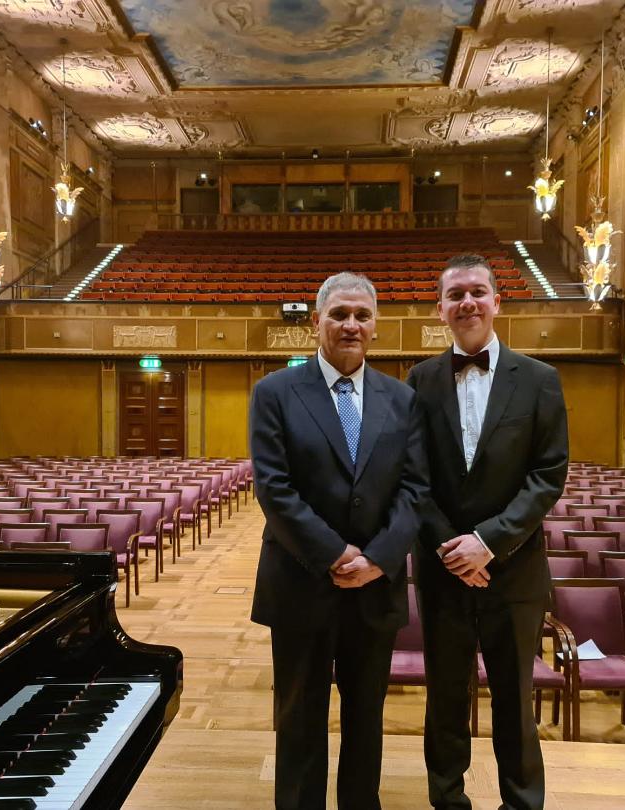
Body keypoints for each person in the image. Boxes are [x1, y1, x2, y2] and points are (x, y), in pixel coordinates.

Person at [250, 272, 428, 810]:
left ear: (376, 325)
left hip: (375, 588)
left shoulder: (403, 399)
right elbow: (273, 488)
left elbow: (415, 489)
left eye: (362, 315)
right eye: (339, 314)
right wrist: (334, 554)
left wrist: (376, 558)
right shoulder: (275, 392)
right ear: (316, 321)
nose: (351, 325)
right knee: (299, 718)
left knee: (366, 720)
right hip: (302, 582)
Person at [406, 254, 569, 810]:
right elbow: (414, 478)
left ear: (498, 301)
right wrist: (455, 549)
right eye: (455, 295)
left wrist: (489, 543)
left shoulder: (541, 379)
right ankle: (447, 799)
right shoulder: (420, 380)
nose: (467, 303)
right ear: (441, 309)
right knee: (446, 697)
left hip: (515, 569)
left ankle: (522, 802)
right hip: (443, 567)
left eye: (478, 291)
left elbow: (548, 476)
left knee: (513, 698)